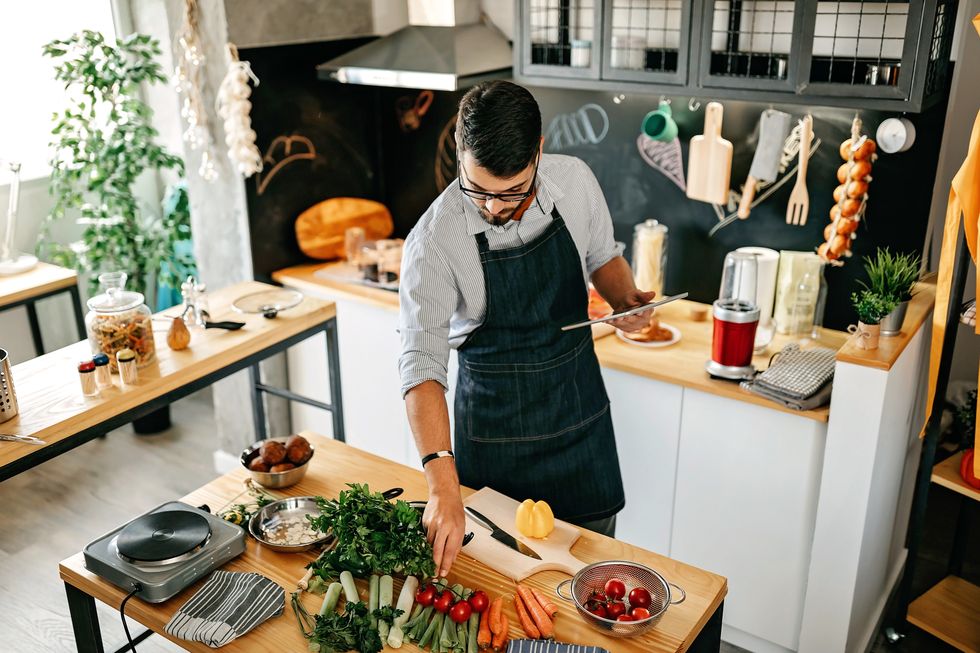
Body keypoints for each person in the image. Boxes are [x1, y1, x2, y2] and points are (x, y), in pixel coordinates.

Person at [398, 80, 656, 577]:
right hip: (494, 450)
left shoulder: (576, 182)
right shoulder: (432, 242)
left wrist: (626, 299)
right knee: (502, 595)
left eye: (513, 191)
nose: (494, 207)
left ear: (538, 152)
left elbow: (604, 256)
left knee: (588, 589)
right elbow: (421, 367)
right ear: (460, 151)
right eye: (479, 190)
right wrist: (442, 486)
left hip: (580, 430)